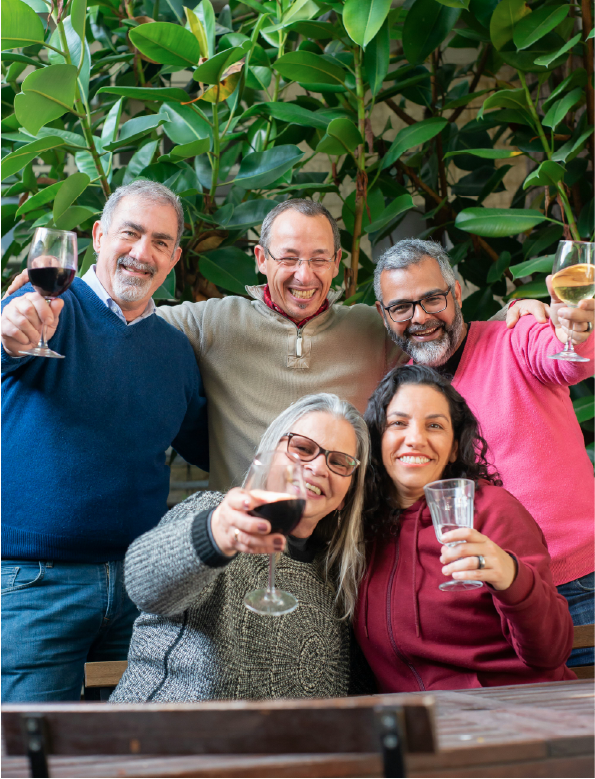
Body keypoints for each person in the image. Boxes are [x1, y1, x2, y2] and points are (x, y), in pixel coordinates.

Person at [6, 200, 546, 495]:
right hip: (240, 544)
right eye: (287, 257)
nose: (304, 275)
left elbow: (440, 333)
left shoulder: (373, 327)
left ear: (339, 265)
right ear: (261, 259)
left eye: (319, 259)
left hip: (346, 543)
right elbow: (122, 309)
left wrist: (515, 314)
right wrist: (40, 296)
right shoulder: (210, 322)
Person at [1, 181, 209, 702]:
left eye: (160, 242)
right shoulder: (45, 307)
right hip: (36, 586)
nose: (142, 253)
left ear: (174, 257)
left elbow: (209, 445)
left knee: (123, 755)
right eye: (130, 233)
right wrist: (9, 331)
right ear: (98, 235)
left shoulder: (175, 352)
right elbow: (11, 338)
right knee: (31, 755)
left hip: (140, 589)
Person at [373, 238, 595, 666]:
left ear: (456, 293)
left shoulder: (517, 334)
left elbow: (570, 362)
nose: (419, 318)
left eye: (432, 298)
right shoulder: (400, 393)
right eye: (401, 307)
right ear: (385, 315)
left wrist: (576, 328)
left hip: (576, 581)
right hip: (477, 601)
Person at [110, 393, 371, 702]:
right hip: (165, 739)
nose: (318, 467)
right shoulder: (215, 514)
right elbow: (144, 585)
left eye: (340, 463)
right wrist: (214, 535)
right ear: (268, 456)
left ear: (346, 496)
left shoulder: (337, 578)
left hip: (271, 749)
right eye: (302, 448)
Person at [355, 364, 576, 691]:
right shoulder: (360, 526)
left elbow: (551, 652)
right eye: (398, 423)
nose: (415, 439)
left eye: (434, 425)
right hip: (421, 727)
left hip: (514, 714)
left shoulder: (493, 510)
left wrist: (510, 575)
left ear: (455, 446)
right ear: (376, 436)